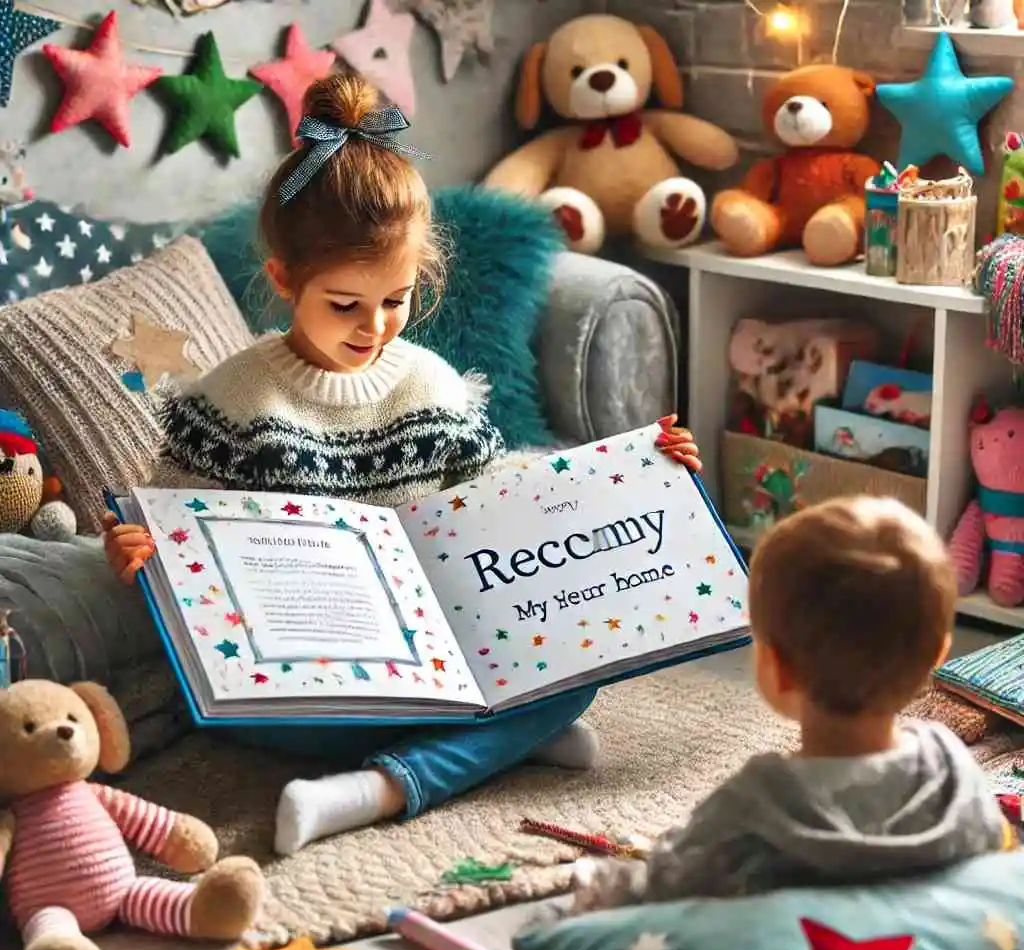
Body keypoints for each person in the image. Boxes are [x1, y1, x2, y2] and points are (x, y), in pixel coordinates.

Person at [101, 74, 703, 857]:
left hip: (434, 665)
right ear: (285, 281)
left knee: (582, 671)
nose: (375, 327)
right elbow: (171, 528)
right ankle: (470, 752)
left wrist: (643, 471)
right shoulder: (235, 398)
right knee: (221, 708)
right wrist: (136, 550)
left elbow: (502, 504)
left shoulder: (431, 384)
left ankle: (388, 782)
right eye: (345, 304)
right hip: (305, 688)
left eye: (397, 300)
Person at [573, 496, 1015, 912]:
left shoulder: (757, 801)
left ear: (775, 668)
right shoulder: (953, 769)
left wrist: (595, 886)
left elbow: (663, 885)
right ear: (937, 657)